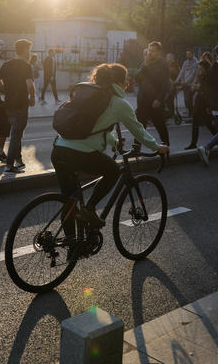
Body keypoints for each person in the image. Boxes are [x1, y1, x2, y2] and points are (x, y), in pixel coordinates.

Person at [51, 63, 170, 231]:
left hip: (59, 149)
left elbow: (94, 127)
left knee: (69, 201)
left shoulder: (91, 95)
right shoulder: (118, 102)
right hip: (78, 154)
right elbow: (138, 130)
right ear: (121, 83)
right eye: (127, 80)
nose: (128, 84)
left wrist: (113, 143)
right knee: (113, 170)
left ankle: (72, 248)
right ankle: (90, 208)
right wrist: (157, 147)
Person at [0, 39, 36, 173]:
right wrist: (32, 97)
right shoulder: (26, 66)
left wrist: (5, 90)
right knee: (16, 134)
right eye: (29, 50)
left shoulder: (7, 64)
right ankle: (9, 166)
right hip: (21, 104)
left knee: (16, 132)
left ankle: (18, 160)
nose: (30, 53)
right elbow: (29, 84)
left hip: (8, 103)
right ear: (24, 50)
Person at [134, 41, 171, 148]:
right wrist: (145, 64)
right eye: (149, 50)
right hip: (143, 100)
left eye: (153, 51)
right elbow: (137, 79)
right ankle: (136, 147)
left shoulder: (163, 64)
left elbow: (166, 84)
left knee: (160, 124)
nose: (150, 53)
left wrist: (159, 99)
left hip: (155, 101)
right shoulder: (145, 63)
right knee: (140, 125)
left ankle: (166, 146)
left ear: (159, 52)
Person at [185, 59, 217, 149]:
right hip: (199, 102)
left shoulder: (210, 77)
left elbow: (209, 90)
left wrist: (199, 87)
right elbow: (195, 85)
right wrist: (194, 87)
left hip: (206, 103)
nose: (200, 70)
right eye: (199, 69)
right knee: (195, 122)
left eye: (201, 68)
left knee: (208, 123)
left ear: (206, 68)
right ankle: (193, 143)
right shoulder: (200, 76)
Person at [174, 49, 199, 117]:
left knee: (189, 98)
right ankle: (190, 112)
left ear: (192, 54)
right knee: (186, 100)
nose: (187, 55)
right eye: (186, 54)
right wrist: (176, 81)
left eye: (189, 54)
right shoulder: (185, 62)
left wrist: (186, 82)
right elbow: (181, 72)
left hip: (191, 84)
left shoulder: (196, 63)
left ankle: (192, 113)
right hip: (185, 84)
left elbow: (193, 74)